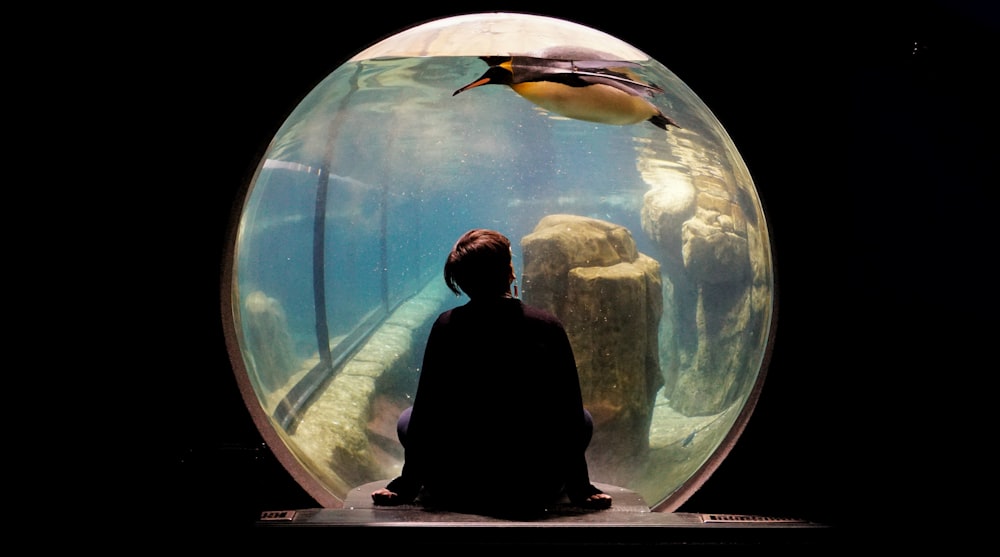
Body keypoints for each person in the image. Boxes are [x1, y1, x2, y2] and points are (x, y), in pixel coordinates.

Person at [371, 228, 612, 515]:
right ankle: (568, 487)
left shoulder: (447, 326)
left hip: (454, 484)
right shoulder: (547, 326)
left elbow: (427, 412)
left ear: (461, 280)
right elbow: (568, 412)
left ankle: (425, 482)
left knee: (408, 418)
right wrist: (580, 488)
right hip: (534, 485)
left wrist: (406, 485)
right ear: (508, 272)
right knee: (582, 418)